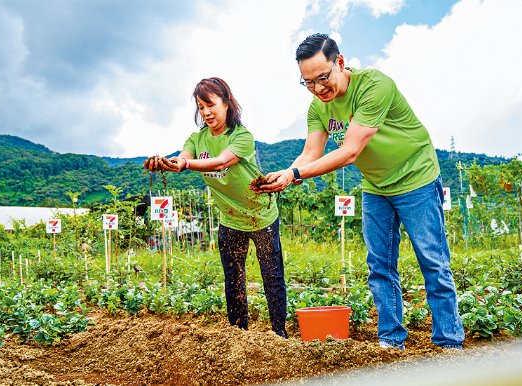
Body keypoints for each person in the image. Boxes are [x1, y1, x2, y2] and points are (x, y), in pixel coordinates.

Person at [253, 34, 464, 349]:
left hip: (416, 177)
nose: (318, 88)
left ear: (340, 62)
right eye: (308, 82)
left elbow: (350, 151)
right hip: (376, 186)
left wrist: (295, 173)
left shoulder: (374, 86)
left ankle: (449, 342)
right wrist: (285, 174)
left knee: (432, 261)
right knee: (380, 265)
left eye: (323, 78)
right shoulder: (318, 107)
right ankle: (391, 341)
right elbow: (310, 154)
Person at [144, 77, 288, 338]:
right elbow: (184, 157)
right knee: (233, 278)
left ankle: (279, 333)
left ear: (226, 103)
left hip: (260, 214)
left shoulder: (242, 136)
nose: (206, 112)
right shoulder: (197, 139)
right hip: (230, 218)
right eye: (200, 107)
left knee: (272, 276)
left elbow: (221, 162)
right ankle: (237, 336)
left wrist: (185, 165)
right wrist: (167, 163)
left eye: (210, 104)